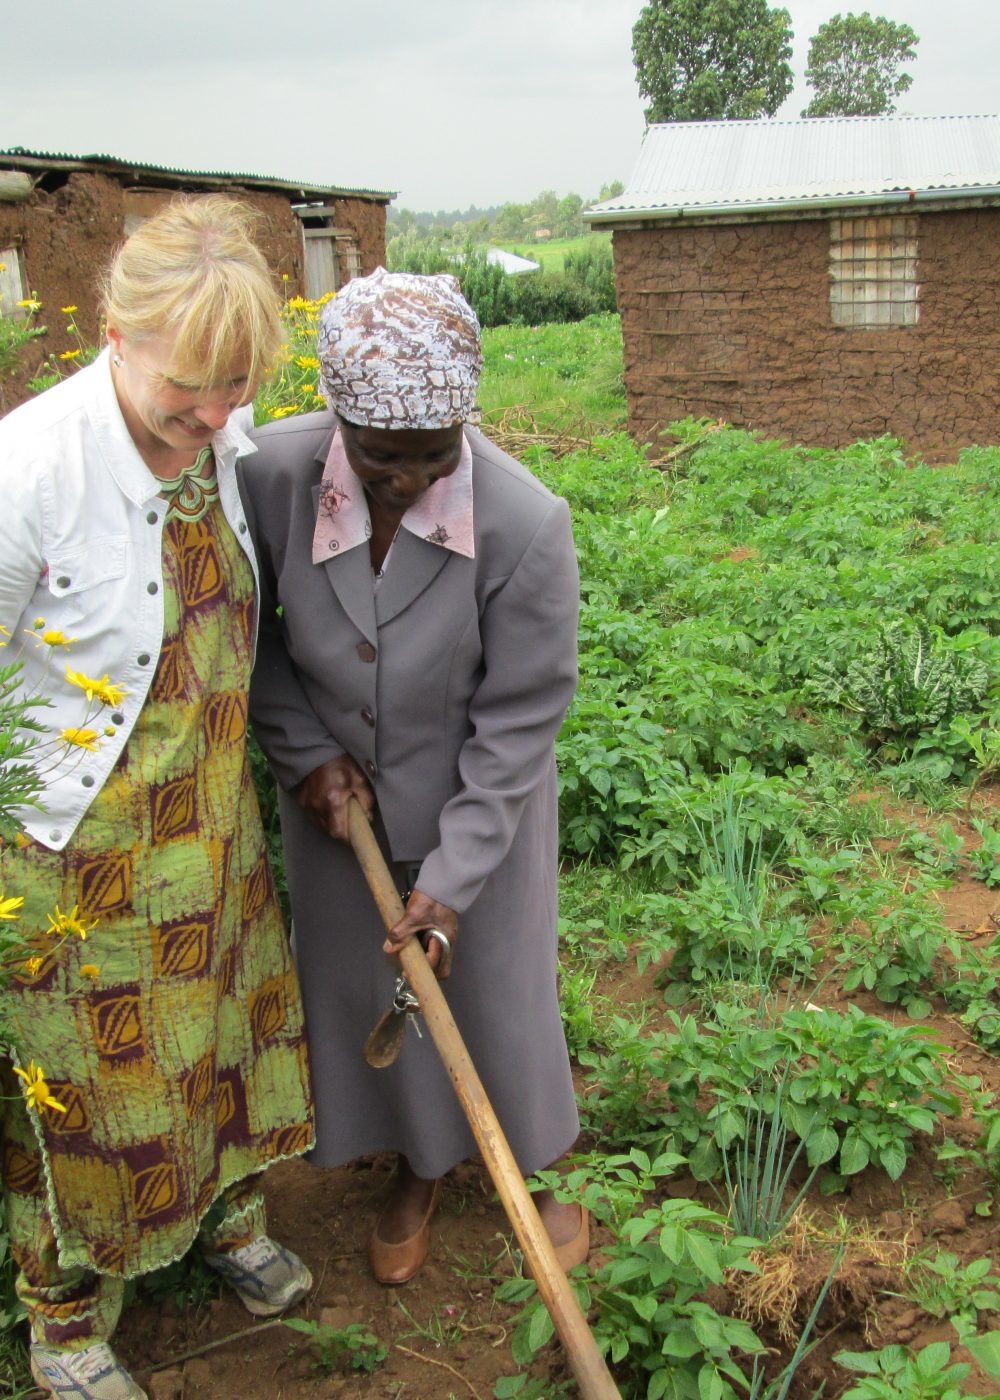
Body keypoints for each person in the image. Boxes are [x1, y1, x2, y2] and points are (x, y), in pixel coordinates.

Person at [0, 196, 314, 1400]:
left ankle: (224, 1220)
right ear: (112, 332)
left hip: (210, 824)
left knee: (226, 1038)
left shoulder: (220, 452)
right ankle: (65, 1320)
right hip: (79, 856)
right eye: (190, 387)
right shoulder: (33, 468)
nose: (213, 415)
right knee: (85, 1095)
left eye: (235, 389)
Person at [239, 266, 588, 1287]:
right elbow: (247, 640)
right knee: (369, 989)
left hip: (479, 803)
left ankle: (530, 1158)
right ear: (339, 419)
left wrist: (455, 870)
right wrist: (305, 751)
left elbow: (522, 711)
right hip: (336, 803)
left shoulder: (523, 523)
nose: (406, 480)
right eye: (383, 456)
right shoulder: (271, 476)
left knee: (492, 985)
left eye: (435, 457)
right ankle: (420, 1165)